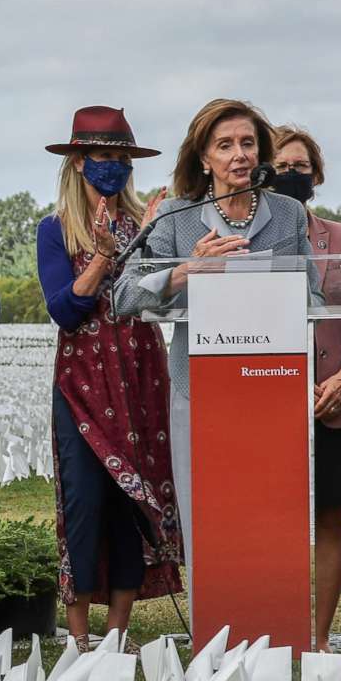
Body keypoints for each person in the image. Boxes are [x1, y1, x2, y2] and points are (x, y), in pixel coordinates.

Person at [111, 98, 311, 560]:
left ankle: (273, 619)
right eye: (225, 145)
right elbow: (124, 296)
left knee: (269, 514)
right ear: (205, 159)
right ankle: (213, 628)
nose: (239, 154)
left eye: (248, 143)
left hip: (271, 383)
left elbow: (314, 296)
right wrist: (186, 270)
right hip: (197, 387)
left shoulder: (288, 215)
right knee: (209, 515)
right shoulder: (174, 216)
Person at [33, 106, 182, 649]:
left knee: (131, 501)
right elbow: (65, 311)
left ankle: (117, 633)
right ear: (78, 163)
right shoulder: (55, 231)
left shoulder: (151, 222)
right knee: (83, 499)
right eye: (103, 158)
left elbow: (167, 287)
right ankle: (77, 637)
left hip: (140, 372)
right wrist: (101, 256)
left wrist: (149, 242)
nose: (113, 168)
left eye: (122, 159)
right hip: (83, 380)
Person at [270, 124, 341, 651]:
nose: (294, 174)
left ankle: (320, 637)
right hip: (266, 397)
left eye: (302, 166)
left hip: (335, 400)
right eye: (283, 166)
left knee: (330, 518)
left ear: (316, 173)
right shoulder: (246, 238)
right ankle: (274, 628)